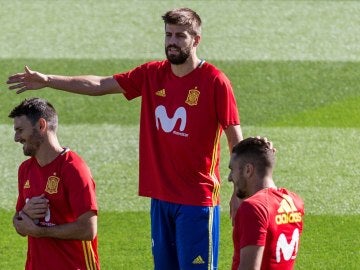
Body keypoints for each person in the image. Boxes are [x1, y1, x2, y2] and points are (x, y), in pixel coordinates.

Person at [7, 7, 243, 269]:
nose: (172, 42)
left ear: (196, 39)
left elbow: (235, 138)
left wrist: (240, 191)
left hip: (197, 201)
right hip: (161, 199)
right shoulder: (152, 74)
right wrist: (48, 80)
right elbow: (99, 85)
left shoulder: (215, 81)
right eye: (168, 35)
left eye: (180, 36)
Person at [9, 98, 100, 270]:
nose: (16, 138)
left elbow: (88, 230)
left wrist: (40, 232)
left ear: (41, 125)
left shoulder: (74, 168)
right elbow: (20, 225)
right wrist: (23, 215)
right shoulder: (25, 169)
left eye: (20, 130)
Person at [228, 137, 304, 270]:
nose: (229, 177)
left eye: (232, 169)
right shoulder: (295, 202)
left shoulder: (254, 208)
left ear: (248, 170)